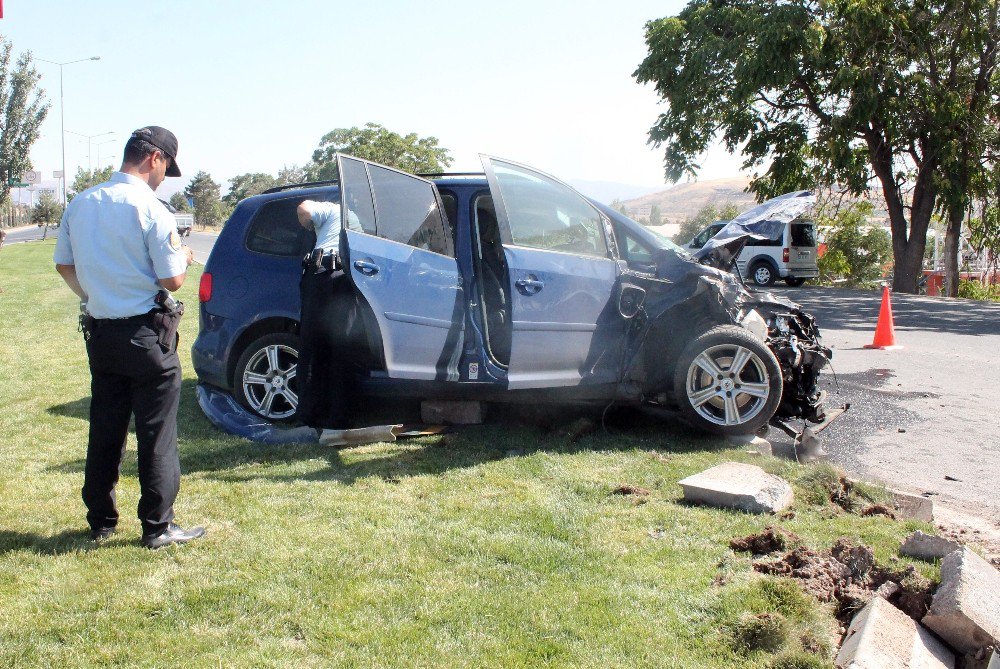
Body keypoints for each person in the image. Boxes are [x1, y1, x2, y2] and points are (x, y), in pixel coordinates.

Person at [54, 125, 205, 549]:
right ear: (154, 158)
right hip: (146, 335)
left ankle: (100, 520)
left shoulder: (82, 202)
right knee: (157, 434)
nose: (163, 178)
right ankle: (157, 526)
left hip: (102, 333)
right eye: (165, 168)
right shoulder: (151, 208)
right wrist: (184, 257)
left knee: (105, 429)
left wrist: (96, 293)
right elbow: (172, 279)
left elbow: (64, 264)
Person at [294, 199, 360, 430]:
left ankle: (319, 417)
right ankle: (329, 418)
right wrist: (308, 224)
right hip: (333, 278)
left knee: (323, 349)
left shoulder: (352, 218)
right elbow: (305, 208)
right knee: (332, 348)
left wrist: (308, 226)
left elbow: (304, 212)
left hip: (331, 279)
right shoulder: (335, 210)